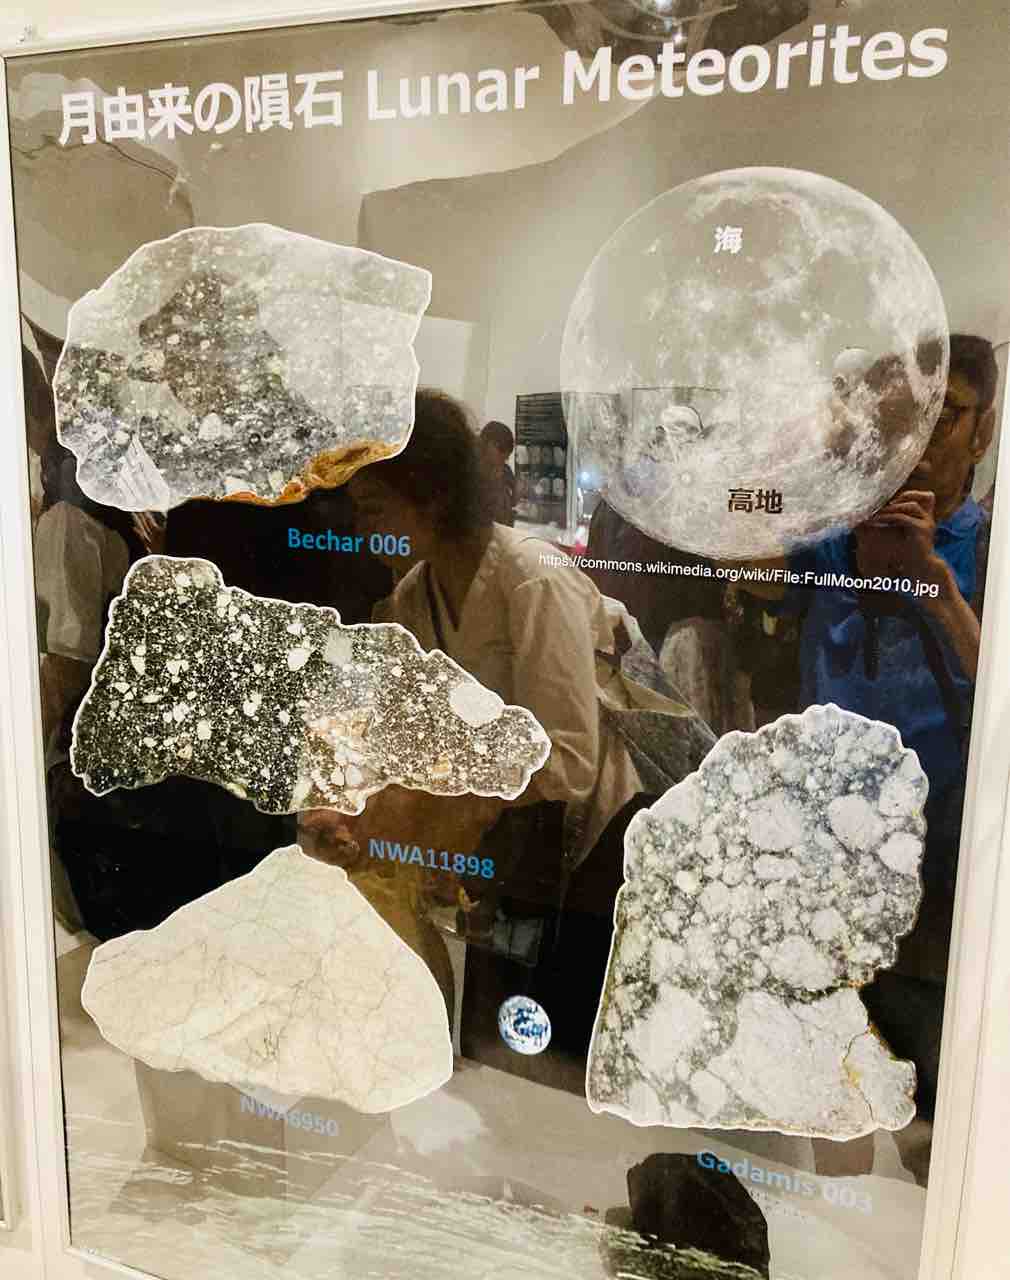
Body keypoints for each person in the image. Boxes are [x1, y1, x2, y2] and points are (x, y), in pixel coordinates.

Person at [302, 389, 682, 1090]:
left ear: (433, 495)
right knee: (492, 1029)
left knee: (559, 1050)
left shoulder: (532, 578)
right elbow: (401, 733)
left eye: (375, 508)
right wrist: (350, 802)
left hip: (591, 838)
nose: (362, 530)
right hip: (509, 842)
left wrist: (439, 793)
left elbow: (569, 761)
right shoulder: (412, 597)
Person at [736, 333, 998, 1133]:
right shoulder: (832, 537)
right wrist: (808, 450)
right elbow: (737, 548)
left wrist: (938, 588)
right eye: (895, 423)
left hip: (944, 864)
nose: (915, 445)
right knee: (827, 1086)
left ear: (984, 432)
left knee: (932, 1101)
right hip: (824, 853)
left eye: (942, 420)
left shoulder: (992, 547)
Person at [479, 419, 516, 526]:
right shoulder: (470, 469)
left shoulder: (505, 470)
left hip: (502, 529)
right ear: (490, 444)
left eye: (507, 457)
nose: (504, 459)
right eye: (501, 452)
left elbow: (511, 503)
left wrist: (516, 495)